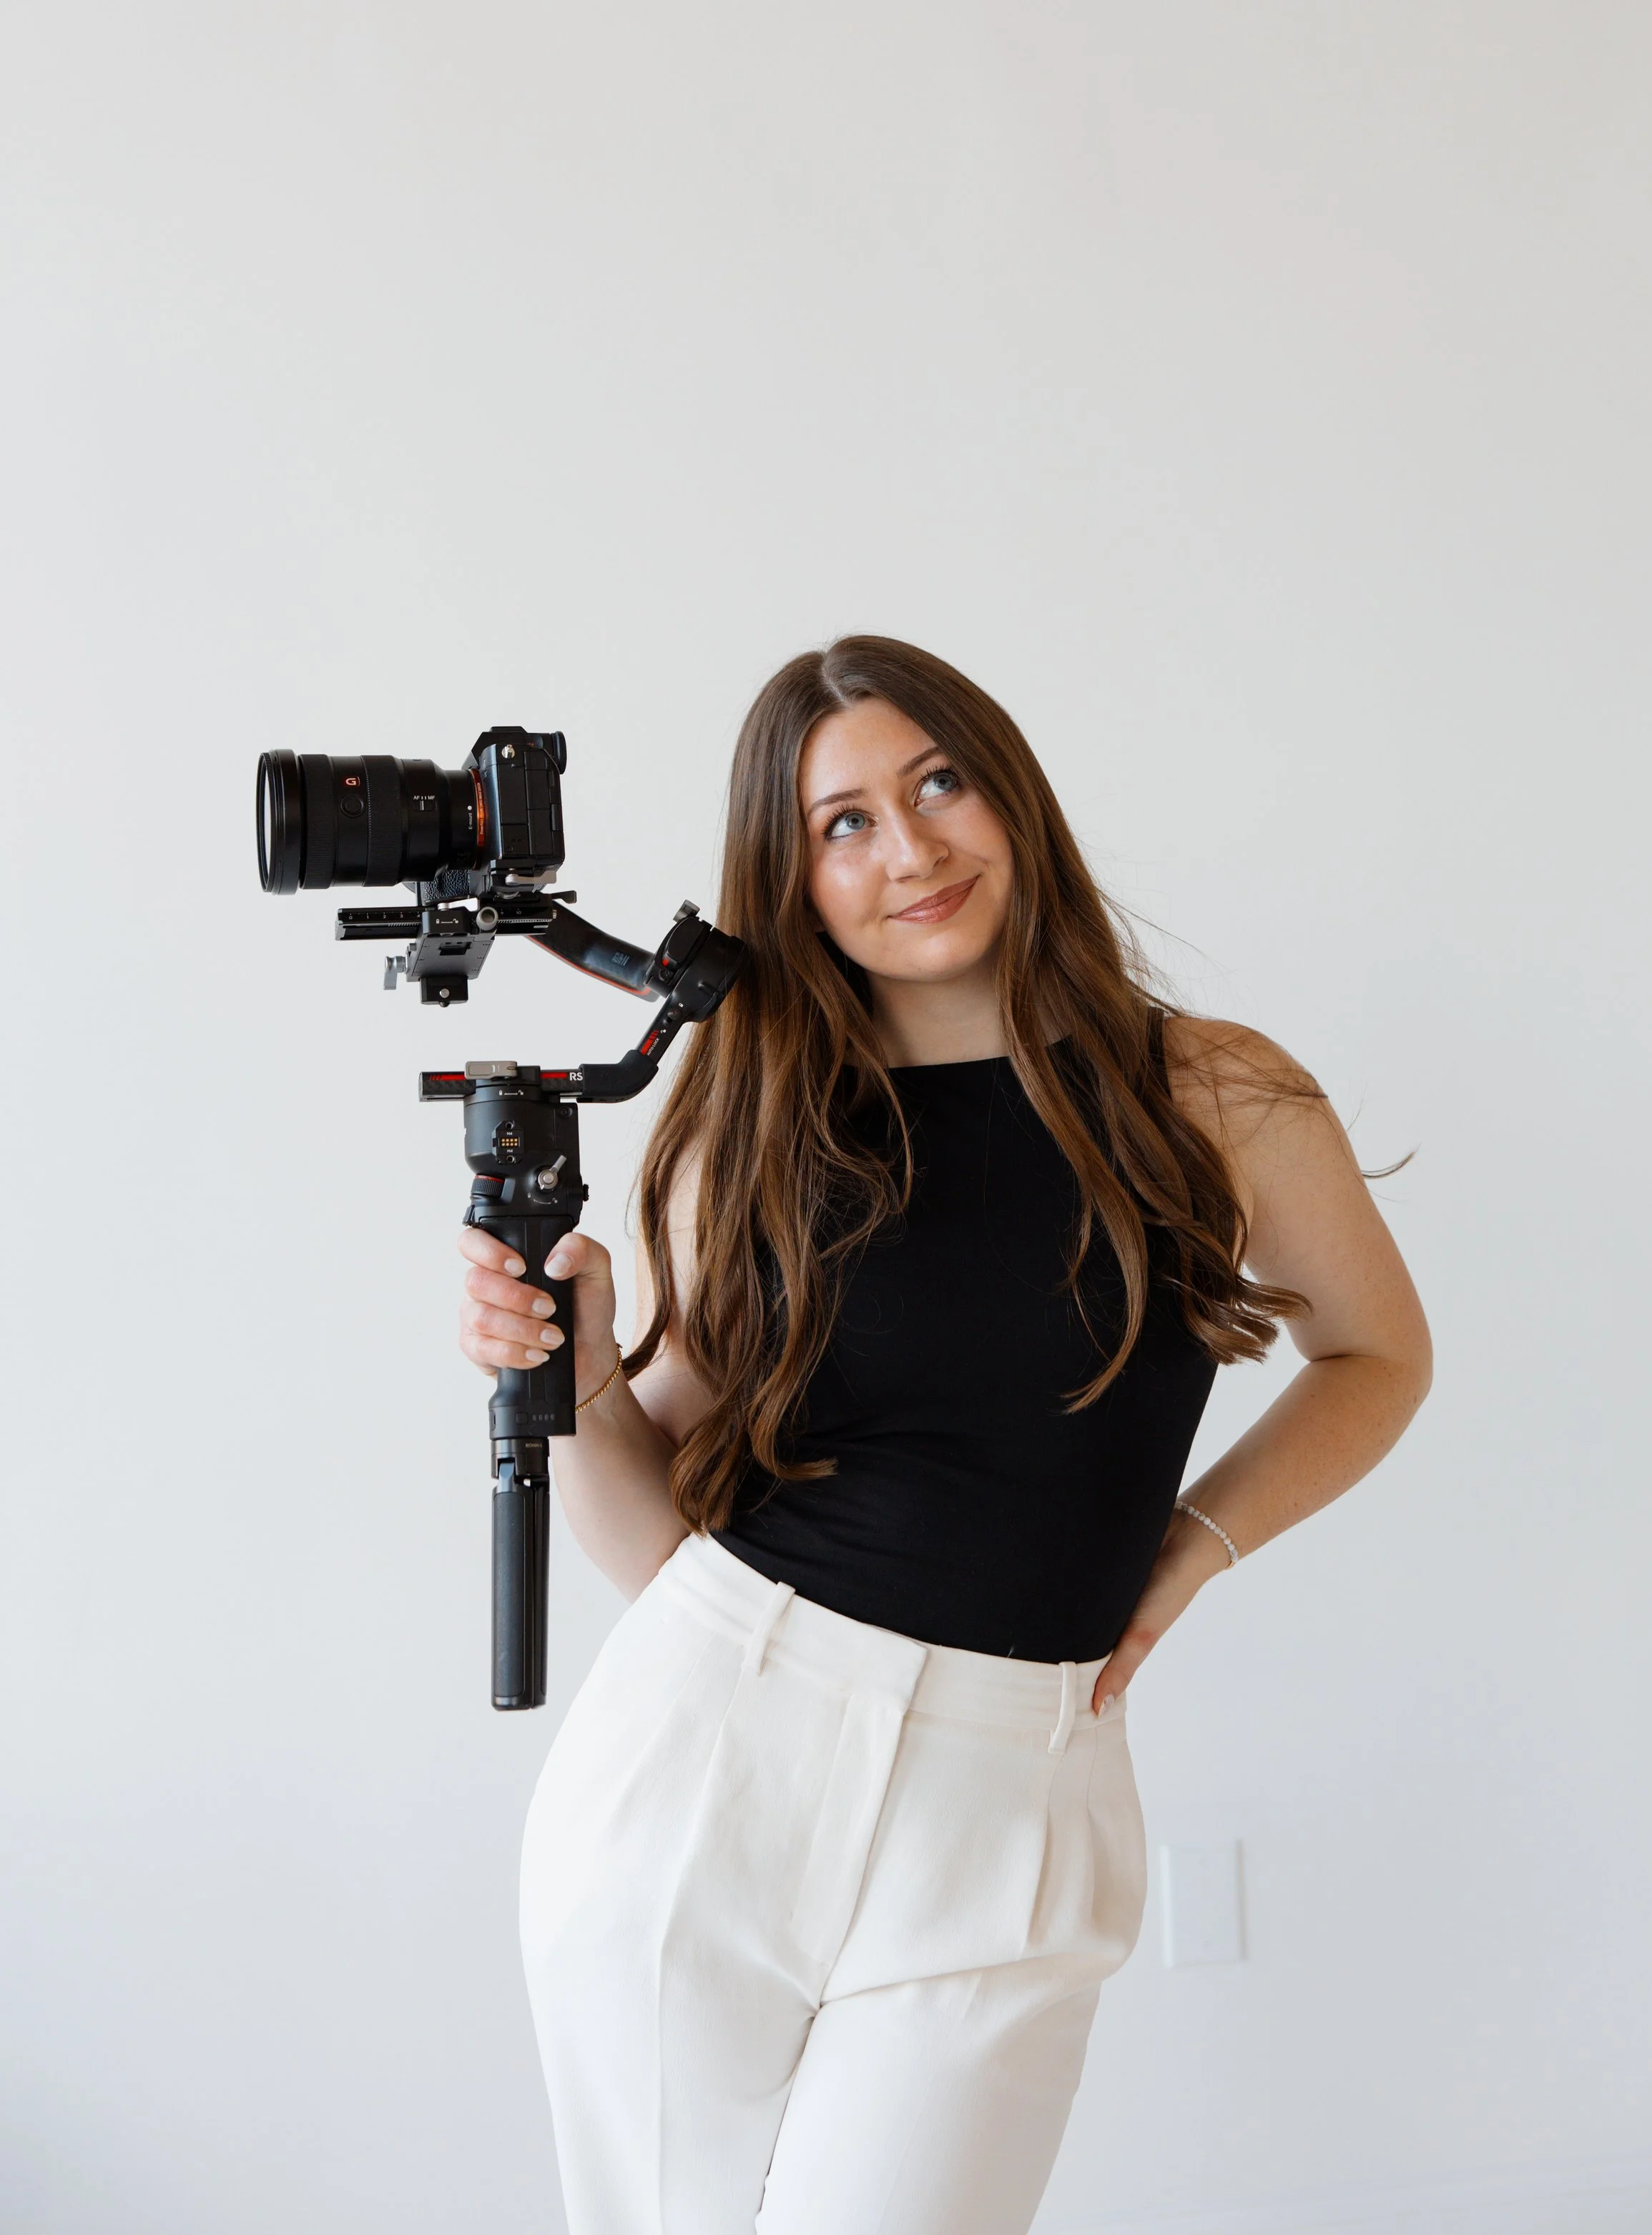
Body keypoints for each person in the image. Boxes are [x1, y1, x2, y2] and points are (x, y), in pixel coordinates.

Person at [456, 637, 1431, 2235]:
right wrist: (569, 1384)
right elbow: (659, 1537)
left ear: (1010, 795)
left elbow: (1377, 1352)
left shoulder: (1212, 1092)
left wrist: (1188, 1546)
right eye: (840, 823)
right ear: (792, 878)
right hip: (709, 1750)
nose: (905, 849)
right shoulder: (757, 1131)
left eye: (935, 783)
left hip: (1016, 1787)